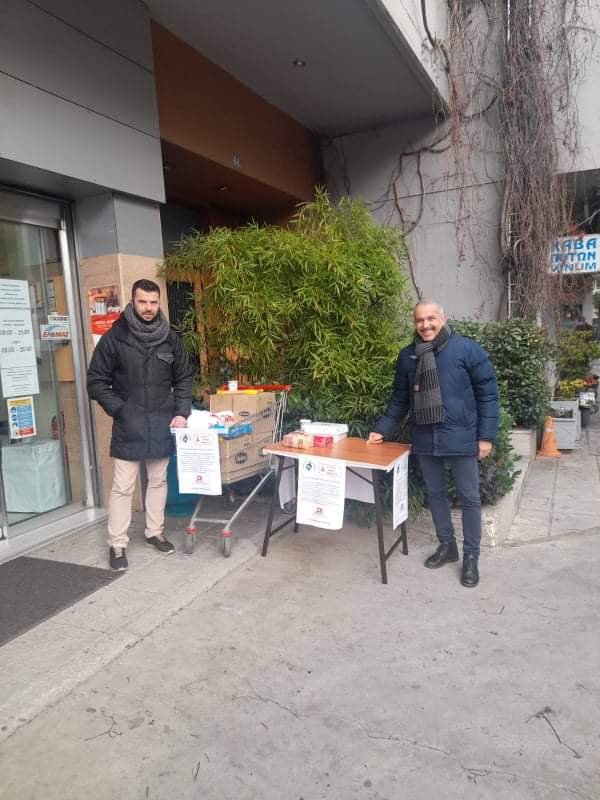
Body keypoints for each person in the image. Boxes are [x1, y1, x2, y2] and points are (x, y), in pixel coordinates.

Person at [368, 301, 499, 588]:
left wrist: (485, 436)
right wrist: (382, 430)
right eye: (420, 320)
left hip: (462, 436)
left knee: (469, 498)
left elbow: (488, 394)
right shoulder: (408, 356)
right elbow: (400, 399)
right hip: (425, 436)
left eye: (431, 318)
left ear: (443, 318)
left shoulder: (467, 350)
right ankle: (447, 546)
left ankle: (471, 557)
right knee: (435, 494)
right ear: (414, 323)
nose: (425, 325)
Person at [87, 279, 194, 572]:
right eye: (142, 301)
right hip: (129, 424)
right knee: (123, 487)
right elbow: (96, 381)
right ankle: (117, 544)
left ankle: (154, 533)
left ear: (159, 303)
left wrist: (182, 412)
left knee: (158, 480)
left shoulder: (170, 337)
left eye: (153, 302)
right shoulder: (115, 337)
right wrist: (121, 409)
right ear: (133, 302)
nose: (148, 308)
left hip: (162, 420)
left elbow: (184, 377)